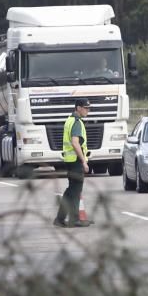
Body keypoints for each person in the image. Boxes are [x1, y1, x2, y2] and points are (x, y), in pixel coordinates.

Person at [54, 97, 93, 228]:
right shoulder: (76, 122)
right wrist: (83, 161)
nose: (88, 110)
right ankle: (75, 219)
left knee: (70, 191)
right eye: (86, 108)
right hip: (76, 161)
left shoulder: (69, 120)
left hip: (70, 160)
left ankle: (59, 219)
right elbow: (75, 143)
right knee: (75, 191)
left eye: (88, 108)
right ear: (78, 108)